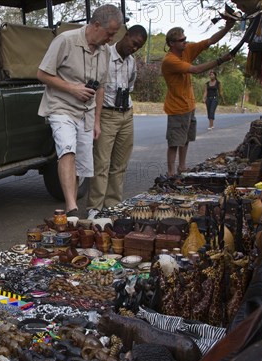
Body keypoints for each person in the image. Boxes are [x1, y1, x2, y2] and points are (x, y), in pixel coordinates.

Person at [37, 4, 123, 217]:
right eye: (109, 34)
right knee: (67, 150)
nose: (111, 39)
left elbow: (101, 87)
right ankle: (72, 208)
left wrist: (97, 122)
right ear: (96, 25)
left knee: (81, 163)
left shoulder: (104, 51)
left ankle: (72, 211)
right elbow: (42, 74)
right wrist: (72, 88)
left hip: (86, 112)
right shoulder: (66, 40)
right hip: (61, 106)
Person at [87, 25, 148, 220]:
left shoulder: (131, 62)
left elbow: (130, 85)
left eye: (139, 47)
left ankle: (113, 204)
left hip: (126, 114)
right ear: (126, 35)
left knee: (120, 164)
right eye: (134, 43)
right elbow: (96, 87)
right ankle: (95, 207)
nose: (135, 48)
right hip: (107, 114)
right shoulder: (104, 55)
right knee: (102, 163)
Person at [161, 19, 235, 177]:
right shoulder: (170, 60)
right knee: (175, 142)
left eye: (185, 39)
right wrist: (220, 60)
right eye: (181, 40)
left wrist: (228, 27)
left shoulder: (186, 50)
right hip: (177, 107)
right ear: (172, 43)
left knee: (185, 139)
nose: (185, 42)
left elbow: (210, 41)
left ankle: (182, 167)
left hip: (189, 105)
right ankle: (171, 173)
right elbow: (195, 70)